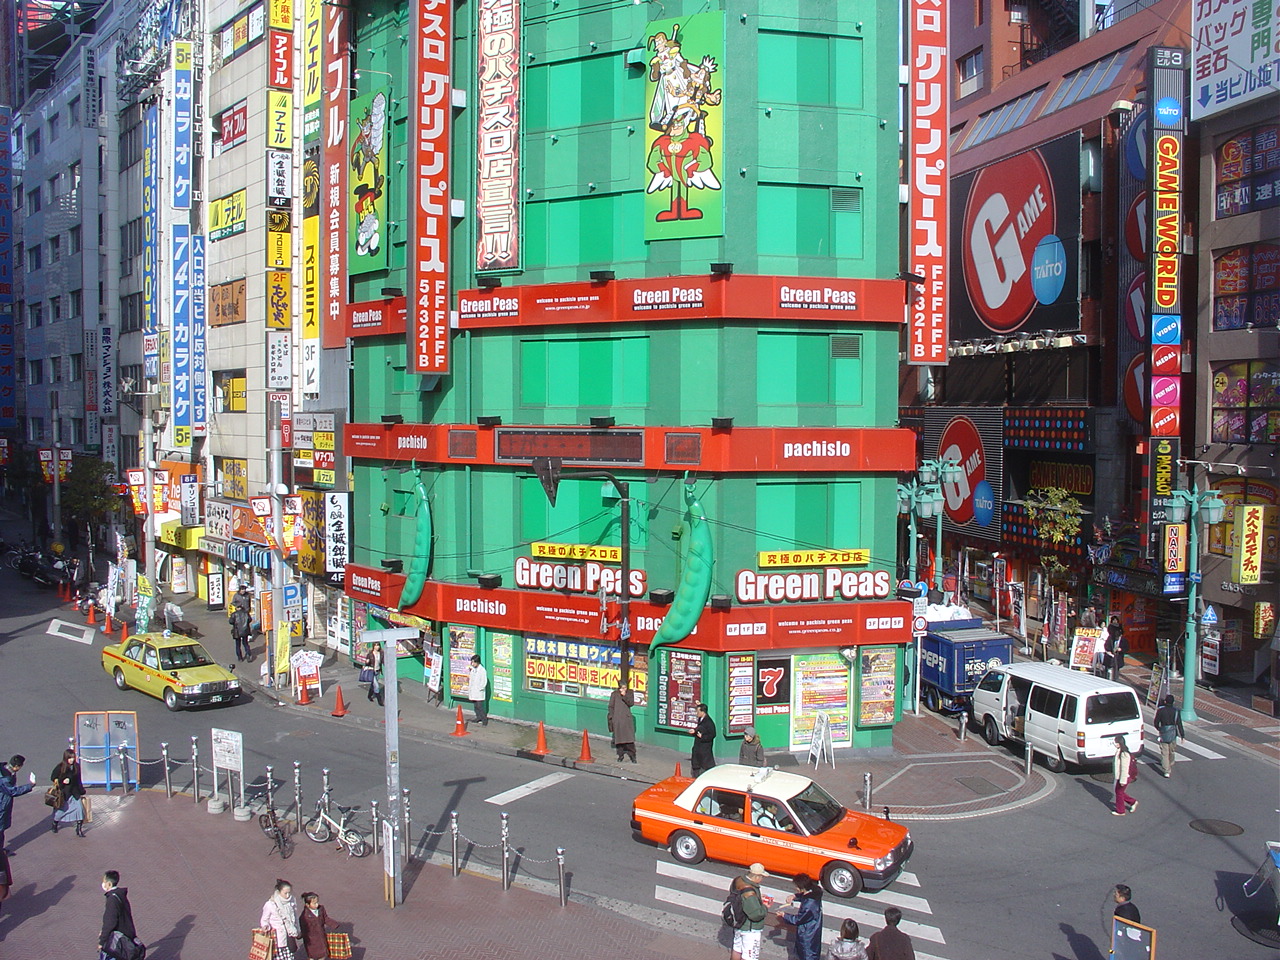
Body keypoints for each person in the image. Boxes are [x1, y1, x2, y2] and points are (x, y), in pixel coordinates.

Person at [776, 872, 824, 960]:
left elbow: (799, 919)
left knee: (807, 954)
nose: (796, 888)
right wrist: (795, 896)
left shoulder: (809, 903)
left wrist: (784, 915)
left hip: (808, 933)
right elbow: (805, 895)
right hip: (813, 929)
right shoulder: (815, 893)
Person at [727, 862, 770, 960]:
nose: (762, 879)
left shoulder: (739, 880)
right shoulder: (749, 892)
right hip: (750, 929)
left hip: (738, 923)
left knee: (737, 949)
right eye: (761, 877)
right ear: (756, 876)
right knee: (750, 956)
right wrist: (765, 907)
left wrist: (757, 898)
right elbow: (756, 914)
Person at [0, 755, 35, 853]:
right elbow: (13, 791)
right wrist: (30, 786)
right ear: (17, 766)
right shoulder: (5, 779)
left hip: (3, 804)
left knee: (1, 830)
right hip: (1, 805)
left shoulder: (7, 772)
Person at [99, 870, 137, 958]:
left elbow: (110, 922)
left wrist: (102, 941)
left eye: (104, 881)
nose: (103, 884)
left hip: (118, 939)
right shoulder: (120, 895)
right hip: (126, 934)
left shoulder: (112, 900)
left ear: (109, 884)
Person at [260, 878, 301, 960]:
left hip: (290, 935)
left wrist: (298, 929)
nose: (288, 895)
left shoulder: (292, 901)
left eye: (289, 892)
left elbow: (295, 916)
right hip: (277, 937)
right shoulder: (270, 904)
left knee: (290, 956)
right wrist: (265, 926)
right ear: (279, 892)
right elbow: (264, 919)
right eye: (285, 893)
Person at [50, 747, 86, 837]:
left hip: (75, 792)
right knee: (61, 811)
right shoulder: (60, 767)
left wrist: (82, 791)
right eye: (70, 758)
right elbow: (53, 777)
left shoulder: (76, 766)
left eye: (73, 757)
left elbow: (78, 780)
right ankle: (55, 823)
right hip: (64, 793)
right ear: (66, 758)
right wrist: (62, 781)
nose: (72, 760)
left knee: (80, 809)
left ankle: (79, 829)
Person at [298, 892, 340, 960]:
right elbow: (303, 930)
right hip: (311, 941)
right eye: (314, 903)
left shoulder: (321, 909)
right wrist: (299, 935)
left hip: (321, 938)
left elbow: (325, 918)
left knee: (323, 955)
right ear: (307, 905)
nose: (317, 905)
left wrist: (334, 924)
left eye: (317, 902)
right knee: (312, 956)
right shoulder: (304, 916)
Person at [1153, 694, 1185, 778]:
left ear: (1165, 701)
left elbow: (1156, 722)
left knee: (1164, 753)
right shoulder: (1176, 711)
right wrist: (1182, 736)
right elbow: (1179, 724)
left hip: (1164, 733)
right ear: (1173, 702)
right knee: (1172, 751)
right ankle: (1170, 762)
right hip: (1173, 734)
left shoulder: (1160, 711)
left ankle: (1167, 770)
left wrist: (1159, 729)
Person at [608, 682, 637, 763]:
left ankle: (632, 756)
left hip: (626, 719)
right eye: (622, 687)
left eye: (625, 687)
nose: (624, 689)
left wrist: (624, 695)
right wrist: (612, 717)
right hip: (617, 719)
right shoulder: (614, 694)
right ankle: (620, 755)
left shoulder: (630, 693)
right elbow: (611, 706)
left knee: (629, 739)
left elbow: (631, 703)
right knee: (619, 739)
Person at [1112, 734, 1138, 816]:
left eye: (1115, 742)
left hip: (1124, 777)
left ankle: (1121, 811)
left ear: (1119, 743)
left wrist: (1123, 780)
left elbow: (1124, 768)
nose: (1114, 744)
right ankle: (1133, 802)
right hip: (1122, 776)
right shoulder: (1120, 751)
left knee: (1119, 792)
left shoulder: (1124, 754)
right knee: (1119, 792)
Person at [691, 703, 716, 777]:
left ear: (703, 712)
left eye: (698, 712)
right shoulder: (700, 719)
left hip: (704, 750)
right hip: (698, 748)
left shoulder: (709, 722)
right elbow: (699, 730)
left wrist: (703, 736)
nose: (696, 713)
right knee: (696, 767)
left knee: (704, 769)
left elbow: (712, 734)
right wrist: (694, 732)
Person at [230, 588, 253, 662]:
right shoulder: (246, 614)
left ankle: (240, 658)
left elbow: (230, 622)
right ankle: (248, 654)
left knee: (238, 645)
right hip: (245, 630)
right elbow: (250, 620)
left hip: (237, 631)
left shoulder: (234, 614)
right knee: (245, 643)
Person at [467, 654, 489, 725]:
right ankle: (478, 717)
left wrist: (480, 688)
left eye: (473, 662)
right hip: (474, 691)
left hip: (478, 692)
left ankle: (484, 719)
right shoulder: (473, 670)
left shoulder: (482, 670)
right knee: (475, 706)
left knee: (479, 706)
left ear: (477, 662)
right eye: (472, 662)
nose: (472, 664)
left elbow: (484, 681)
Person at [1107, 616, 1128, 681]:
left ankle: (1116, 679)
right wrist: (1109, 651)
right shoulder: (1110, 639)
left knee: (1116, 670)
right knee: (1110, 671)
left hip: (1118, 657)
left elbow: (1126, 648)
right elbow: (1106, 646)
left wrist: (1121, 649)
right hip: (1110, 658)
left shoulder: (1123, 640)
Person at [367, 642, 385, 707]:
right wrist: (367, 662)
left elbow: (383, 661)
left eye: (378, 645)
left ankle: (369, 695)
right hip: (372, 671)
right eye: (376, 645)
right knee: (377, 686)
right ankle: (380, 701)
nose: (378, 647)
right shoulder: (370, 654)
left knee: (373, 684)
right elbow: (367, 663)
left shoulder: (381, 653)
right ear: (373, 646)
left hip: (378, 671)